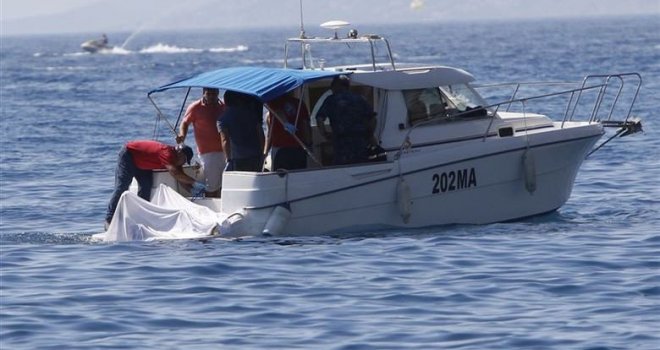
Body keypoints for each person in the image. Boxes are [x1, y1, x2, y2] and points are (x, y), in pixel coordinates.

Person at [104, 140, 202, 228]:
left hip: (144, 164)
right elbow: (175, 173)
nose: (183, 164)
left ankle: (140, 218)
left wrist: (194, 190)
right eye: (184, 160)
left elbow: (181, 179)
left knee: (146, 188)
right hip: (129, 155)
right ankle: (109, 219)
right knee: (122, 187)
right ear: (180, 153)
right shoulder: (167, 152)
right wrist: (195, 183)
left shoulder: (176, 161)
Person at [315, 75, 376, 165]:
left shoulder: (331, 100)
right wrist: (370, 135)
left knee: (342, 168)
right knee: (361, 166)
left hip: (341, 142)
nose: (331, 88)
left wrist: (324, 133)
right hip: (360, 141)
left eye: (332, 85)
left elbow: (319, 118)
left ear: (337, 85)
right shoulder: (359, 99)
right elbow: (373, 119)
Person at [176, 87, 226, 197]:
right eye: (209, 94)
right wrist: (182, 135)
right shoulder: (195, 107)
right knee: (212, 185)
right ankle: (210, 208)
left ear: (218, 93)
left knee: (224, 184)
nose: (212, 96)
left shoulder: (223, 106)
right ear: (203, 93)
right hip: (208, 153)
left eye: (214, 93)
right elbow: (184, 123)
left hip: (225, 150)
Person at [218, 91, 265, 172]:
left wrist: (228, 159)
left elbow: (225, 140)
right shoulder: (251, 113)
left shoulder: (223, 119)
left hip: (238, 158)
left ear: (225, 101)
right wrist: (262, 153)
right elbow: (260, 133)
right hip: (256, 155)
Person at [265, 93, 311, 170]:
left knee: (281, 177)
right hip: (298, 146)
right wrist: (309, 143)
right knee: (299, 175)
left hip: (281, 148)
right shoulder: (299, 103)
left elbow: (270, 133)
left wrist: (265, 152)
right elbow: (305, 125)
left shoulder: (273, 101)